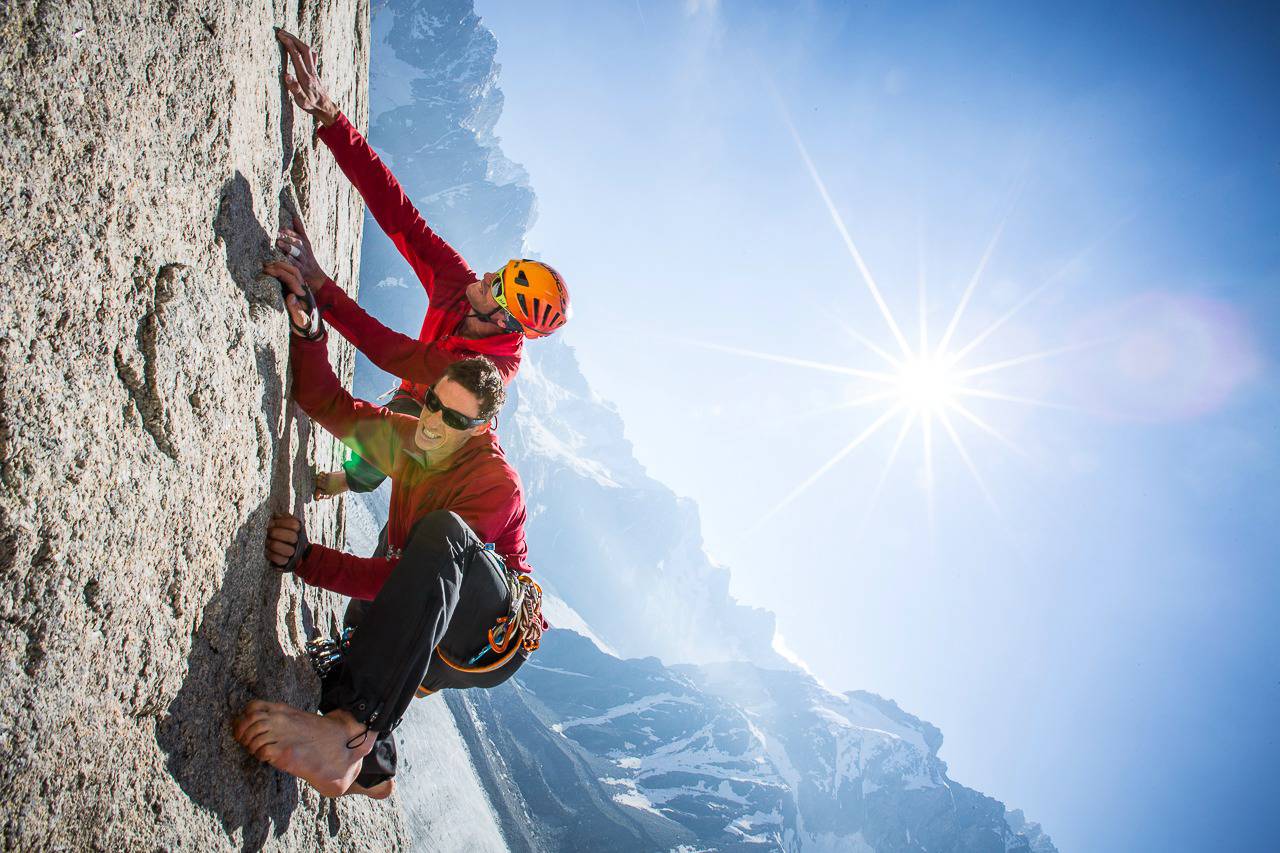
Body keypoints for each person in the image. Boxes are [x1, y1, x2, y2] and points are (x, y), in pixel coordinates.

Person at [233, 261, 542, 800]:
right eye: (432, 403)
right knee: (355, 650)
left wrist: (308, 558)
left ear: (481, 430)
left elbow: (404, 580)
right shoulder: (415, 437)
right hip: (429, 594)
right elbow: (328, 404)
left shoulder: (496, 486)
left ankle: (350, 740)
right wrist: (310, 331)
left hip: (488, 631)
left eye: (454, 420)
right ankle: (376, 771)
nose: (433, 423)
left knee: (439, 537)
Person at [273, 28, 570, 500]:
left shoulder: (480, 368)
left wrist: (320, 286)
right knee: (394, 421)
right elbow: (401, 217)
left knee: (402, 439)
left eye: (499, 288)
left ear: (503, 319)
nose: (488, 277)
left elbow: (391, 351)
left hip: (442, 413)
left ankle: (351, 478)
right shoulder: (461, 282)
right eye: (503, 271)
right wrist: (330, 116)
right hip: (419, 383)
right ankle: (360, 472)